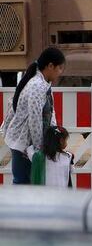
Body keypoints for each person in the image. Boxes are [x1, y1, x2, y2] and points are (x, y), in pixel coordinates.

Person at [2, 47, 65, 184]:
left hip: (26, 143)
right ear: (50, 66)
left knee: (27, 184)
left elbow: (50, 111)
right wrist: (38, 149)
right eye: (59, 68)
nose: (60, 72)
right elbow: (34, 119)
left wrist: (53, 135)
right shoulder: (37, 85)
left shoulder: (43, 83)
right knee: (23, 184)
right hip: (24, 144)